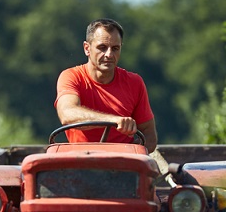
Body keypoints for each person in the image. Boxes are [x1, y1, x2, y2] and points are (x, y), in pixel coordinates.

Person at [55, 18, 159, 153]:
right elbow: (67, 114)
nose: (109, 54)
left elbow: (149, 135)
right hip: (80, 161)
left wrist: (130, 154)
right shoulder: (71, 76)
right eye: (102, 48)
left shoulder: (134, 82)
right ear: (87, 48)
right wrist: (113, 120)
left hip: (123, 165)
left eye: (115, 48)